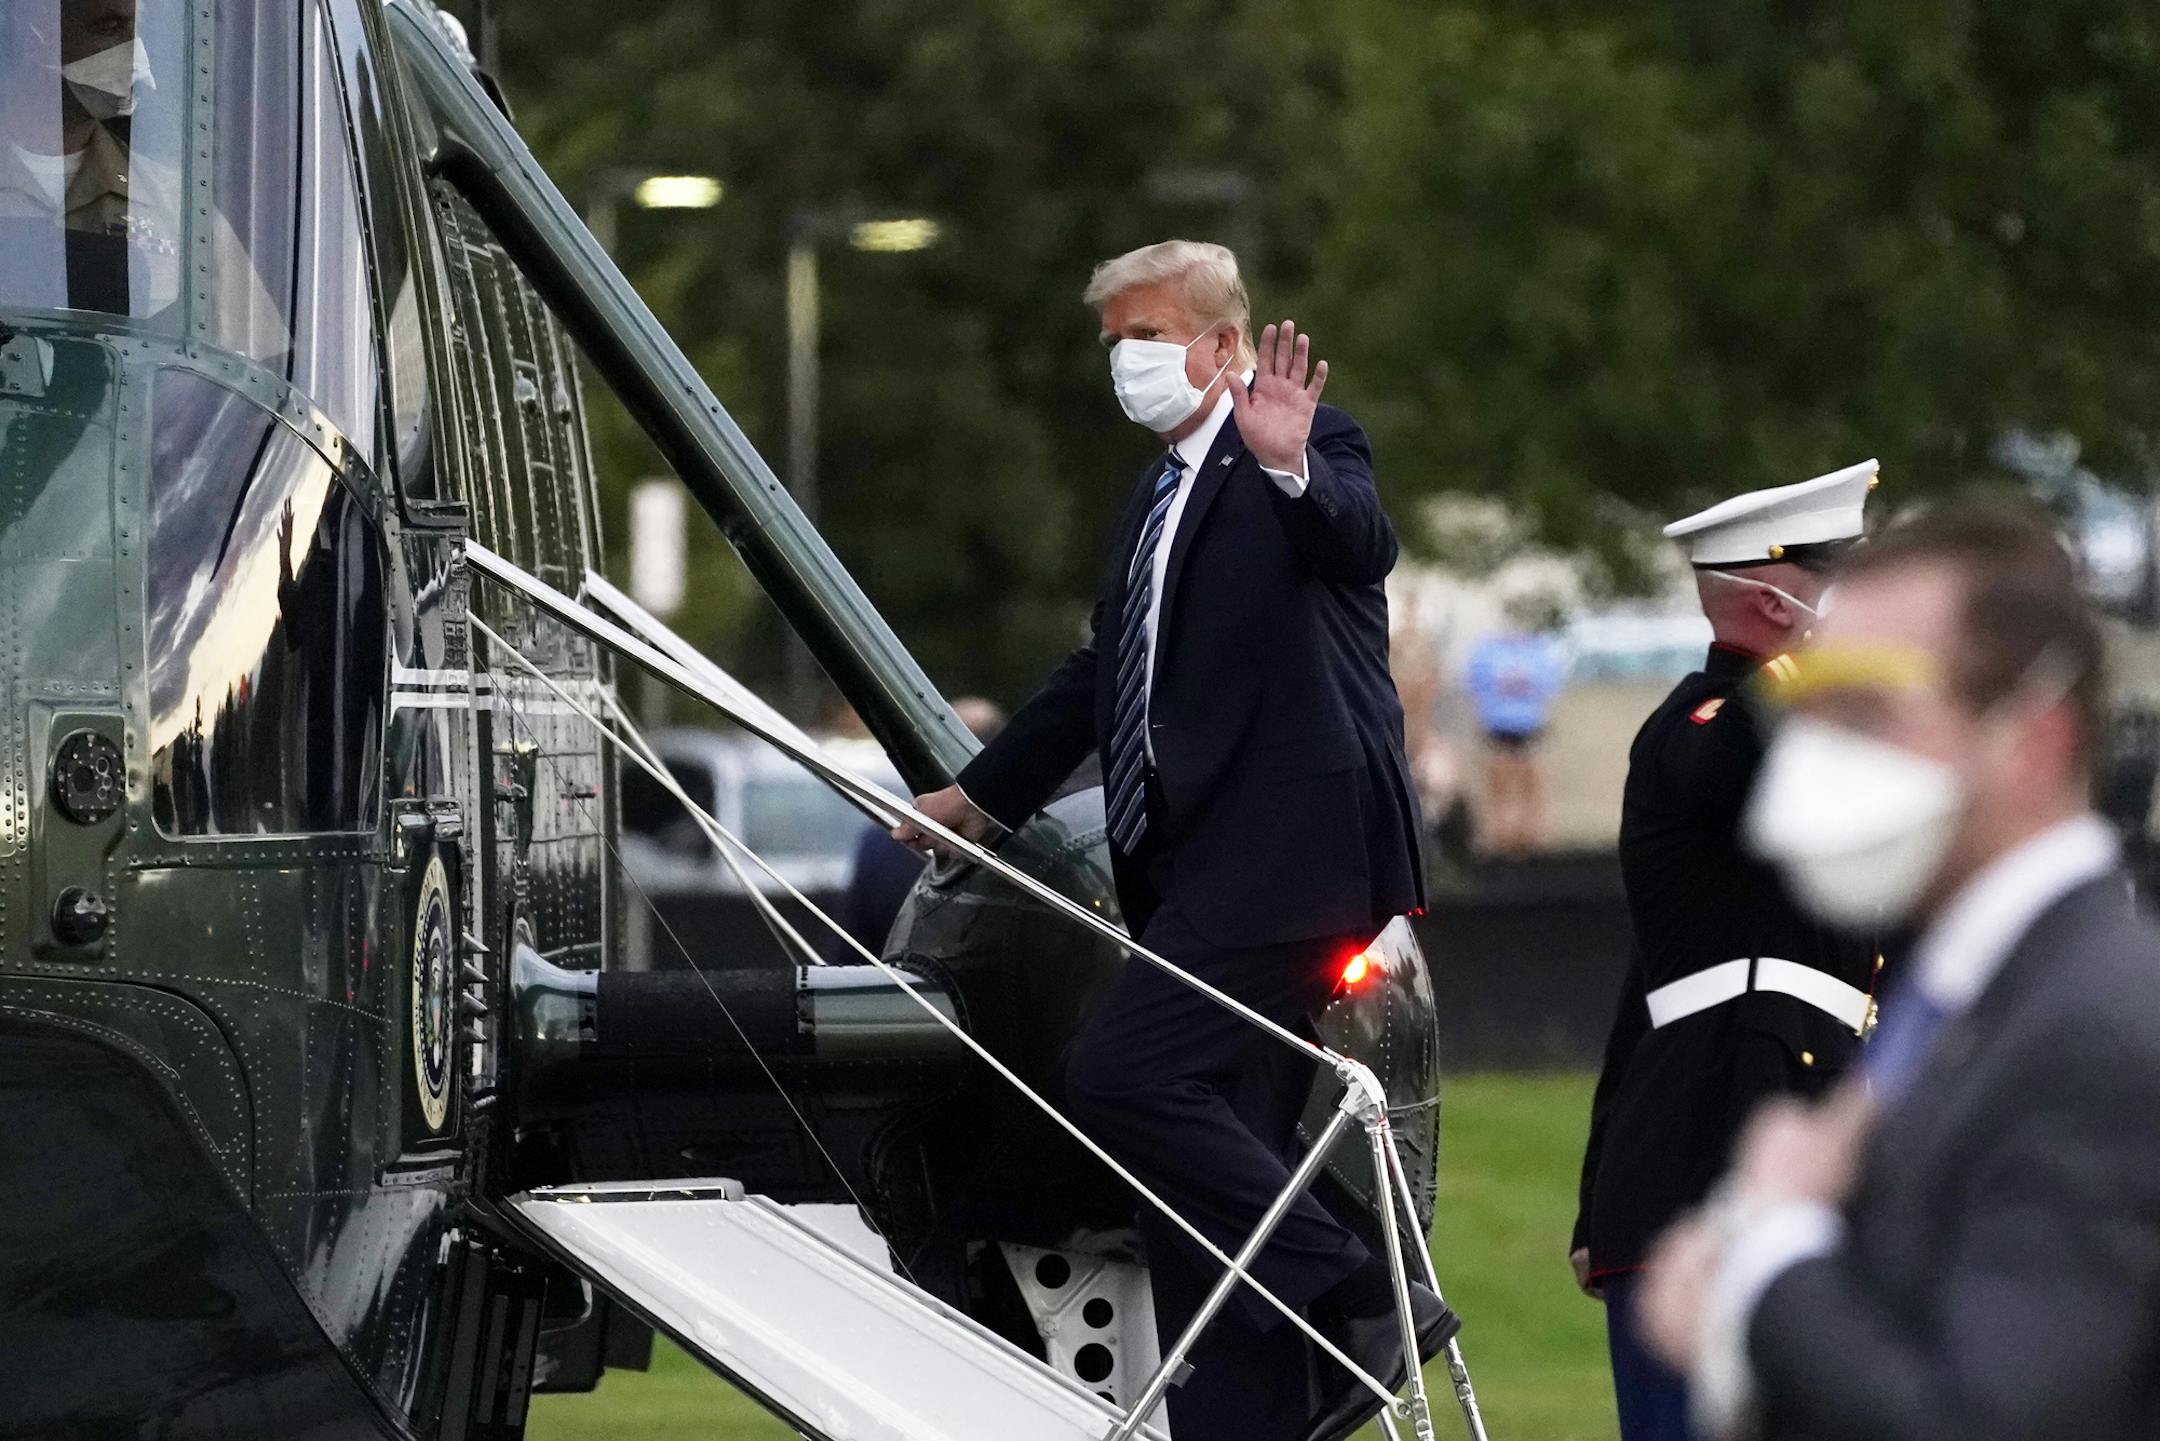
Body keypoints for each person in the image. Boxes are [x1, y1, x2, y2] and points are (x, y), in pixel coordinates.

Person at [894, 240, 1448, 1441]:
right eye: (1113, 346)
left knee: (1124, 1073)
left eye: (1146, 338)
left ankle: (1358, 1287)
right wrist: (980, 798)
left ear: (1223, 344)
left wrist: (1292, 466)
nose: (1126, 365)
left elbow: (1358, 540)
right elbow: (1104, 670)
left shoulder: (1304, 449)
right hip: (1196, 870)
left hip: (1294, 862)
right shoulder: (1155, 496)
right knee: (1206, 1187)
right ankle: (1263, 1397)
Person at [1639, 504, 2160, 1441]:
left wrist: (1769, 1266)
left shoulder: (2095, 1030)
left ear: (2033, 742)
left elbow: (1986, 1417)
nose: (1821, 753)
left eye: (1866, 709)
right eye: (1816, 710)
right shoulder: (1967, 999)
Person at [1572, 460, 1879, 1441]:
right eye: (1836, 581)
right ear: (1771, 599)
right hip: (1703, 1152)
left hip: (1808, 1139)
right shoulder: (1699, 727)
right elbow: (1731, 768)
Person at [1463, 597, 1568, 855]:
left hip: (1530, 726)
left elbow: (1551, 682)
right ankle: (1499, 836)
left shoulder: (1539, 649)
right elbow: (1474, 681)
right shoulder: (1487, 650)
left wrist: (1524, 681)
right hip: (1497, 726)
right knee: (1498, 782)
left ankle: (1531, 837)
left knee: (1532, 779)